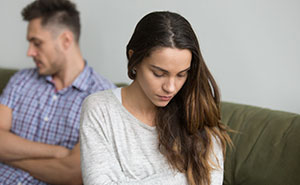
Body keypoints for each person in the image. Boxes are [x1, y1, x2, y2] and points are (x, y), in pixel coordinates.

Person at [80, 11, 232, 185]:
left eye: (181, 75)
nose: (170, 87)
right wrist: (182, 178)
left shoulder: (197, 111)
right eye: (159, 74)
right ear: (133, 58)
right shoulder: (100, 109)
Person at [0, 0, 115, 184]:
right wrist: (56, 152)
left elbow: (73, 174)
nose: (30, 52)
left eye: (37, 43)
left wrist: (10, 155)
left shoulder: (103, 96)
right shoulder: (21, 80)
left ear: (65, 40)